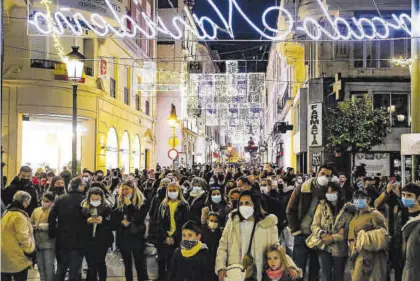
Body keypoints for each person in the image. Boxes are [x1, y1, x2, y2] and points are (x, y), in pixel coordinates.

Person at [215, 190, 280, 281]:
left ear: (255, 204)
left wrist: (289, 266)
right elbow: (223, 245)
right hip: (235, 271)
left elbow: (276, 249)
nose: (243, 206)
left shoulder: (268, 224)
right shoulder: (233, 221)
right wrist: (221, 266)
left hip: (259, 273)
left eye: (247, 203)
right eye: (241, 203)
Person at [286, 163, 334, 281]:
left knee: (315, 270)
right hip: (301, 234)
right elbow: (290, 209)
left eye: (328, 176)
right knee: (298, 269)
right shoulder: (303, 188)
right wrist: (296, 230)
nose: (324, 177)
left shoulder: (330, 193)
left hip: (317, 237)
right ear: (317, 173)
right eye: (322, 174)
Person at [309, 183, 355, 281]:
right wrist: (322, 233)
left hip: (340, 248)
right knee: (326, 276)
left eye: (333, 191)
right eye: (328, 192)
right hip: (323, 245)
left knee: (339, 276)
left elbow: (348, 231)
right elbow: (314, 225)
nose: (330, 194)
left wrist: (333, 238)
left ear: (339, 193)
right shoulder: (321, 206)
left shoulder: (348, 209)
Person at [49, 177, 88, 281]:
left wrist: (53, 233)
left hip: (62, 239)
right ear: (80, 187)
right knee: (74, 271)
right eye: (83, 185)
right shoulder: (84, 200)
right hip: (78, 241)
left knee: (61, 269)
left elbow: (51, 217)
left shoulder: (60, 199)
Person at [348, 190, 389, 281]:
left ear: (368, 200)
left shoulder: (375, 214)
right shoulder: (355, 216)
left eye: (362, 198)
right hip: (359, 256)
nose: (358, 200)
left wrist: (365, 237)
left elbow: (384, 235)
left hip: (374, 257)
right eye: (356, 198)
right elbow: (351, 237)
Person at [112, 179, 148, 281]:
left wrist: (130, 206)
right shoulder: (119, 201)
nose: (124, 192)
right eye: (122, 190)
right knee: (127, 264)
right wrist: (120, 221)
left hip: (137, 236)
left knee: (140, 263)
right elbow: (114, 217)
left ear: (133, 189)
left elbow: (139, 218)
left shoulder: (142, 202)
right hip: (123, 236)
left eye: (126, 189)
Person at [387, 183, 420, 281]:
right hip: (399, 260)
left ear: (418, 198)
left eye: (409, 195)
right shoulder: (401, 214)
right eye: (404, 195)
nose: (405, 198)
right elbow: (396, 235)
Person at [1, 191, 36, 281]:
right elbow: (23, 237)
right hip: (17, 257)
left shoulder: (6, 213)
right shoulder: (19, 216)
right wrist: (30, 251)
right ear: (24, 201)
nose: (28, 205)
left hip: (4, 256)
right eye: (28, 202)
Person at [158, 182, 190, 279]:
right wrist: (166, 237)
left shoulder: (184, 205)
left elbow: (185, 224)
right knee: (168, 265)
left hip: (179, 239)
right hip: (166, 239)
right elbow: (160, 222)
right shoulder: (163, 205)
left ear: (179, 191)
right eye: (170, 191)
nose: (172, 193)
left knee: (178, 266)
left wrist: (174, 237)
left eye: (174, 190)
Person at [82, 187, 113, 281]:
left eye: (97, 199)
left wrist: (103, 220)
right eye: (93, 199)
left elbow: (112, 223)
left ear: (101, 198)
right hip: (88, 239)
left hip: (102, 240)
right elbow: (78, 222)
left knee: (100, 262)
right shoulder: (83, 207)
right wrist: (87, 220)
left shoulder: (107, 207)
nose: (95, 201)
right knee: (91, 264)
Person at [30, 192, 56, 281]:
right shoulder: (36, 210)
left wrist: (40, 226)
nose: (44, 202)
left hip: (49, 243)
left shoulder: (54, 211)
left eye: (47, 201)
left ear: (52, 202)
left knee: (49, 266)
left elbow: (56, 226)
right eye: (43, 200)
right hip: (38, 243)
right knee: (40, 267)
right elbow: (30, 222)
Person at [201, 212, 222, 281]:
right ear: (207, 221)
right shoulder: (202, 232)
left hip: (216, 262)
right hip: (204, 263)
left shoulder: (221, 234)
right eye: (211, 220)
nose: (213, 223)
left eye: (216, 221)